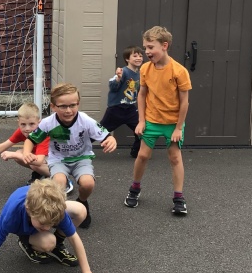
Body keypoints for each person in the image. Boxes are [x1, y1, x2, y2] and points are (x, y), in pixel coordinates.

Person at [23, 83, 117, 229]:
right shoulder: (48, 123)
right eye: (63, 106)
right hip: (59, 159)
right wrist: (26, 152)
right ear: (53, 107)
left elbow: (106, 135)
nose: (68, 110)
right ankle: (59, 211)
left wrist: (111, 140)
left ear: (78, 104)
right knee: (59, 183)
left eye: (73, 105)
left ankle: (82, 202)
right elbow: (31, 140)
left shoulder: (85, 120)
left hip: (82, 158)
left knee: (88, 184)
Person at [125, 26, 192, 215]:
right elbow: (142, 95)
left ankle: (178, 198)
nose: (146, 52)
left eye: (150, 47)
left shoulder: (179, 71)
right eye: (145, 47)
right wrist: (141, 121)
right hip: (152, 121)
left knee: (175, 158)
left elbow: (184, 102)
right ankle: (134, 189)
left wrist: (178, 128)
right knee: (142, 156)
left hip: (173, 124)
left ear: (164, 45)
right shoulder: (145, 69)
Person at [0, 102, 71, 190]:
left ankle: (63, 180)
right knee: (20, 153)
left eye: (32, 124)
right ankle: (41, 174)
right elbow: (5, 145)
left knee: (32, 162)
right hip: (46, 159)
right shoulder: (21, 131)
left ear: (39, 122)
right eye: (23, 124)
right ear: (18, 122)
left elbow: (38, 161)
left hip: (61, 162)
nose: (27, 129)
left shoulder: (43, 133)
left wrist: (13, 155)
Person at [100, 45, 143, 158]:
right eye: (135, 56)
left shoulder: (139, 74)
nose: (138, 58)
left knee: (141, 131)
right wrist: (118, 78)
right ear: (127, 59)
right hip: (116, 109)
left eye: (140, 56)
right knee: (99, 131)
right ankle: (79, 149)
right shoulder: (123, 72)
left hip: (130, 109)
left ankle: (137, 152)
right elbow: (113, 86)